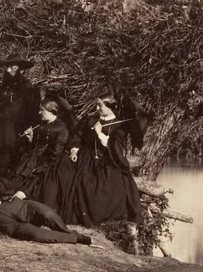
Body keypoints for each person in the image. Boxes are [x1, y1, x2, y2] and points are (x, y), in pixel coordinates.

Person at [0, 151, 93, 246]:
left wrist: (20, 192)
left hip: (21, 207)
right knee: (37, 235)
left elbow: (21, 186)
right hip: (9, 225)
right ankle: (76, 238)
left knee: (47, 213)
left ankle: (68, 231)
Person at [49, 90, 142, 229]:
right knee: (69, 171)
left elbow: (115, 147)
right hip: (86, 157)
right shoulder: (91, 120)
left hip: (108, 160)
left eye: (100, 106)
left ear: (110, 106)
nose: (97, 108)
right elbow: (77, 138)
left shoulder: (120, 125)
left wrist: (99, 132)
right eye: (97, 105)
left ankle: (99, 218)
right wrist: (74, 150)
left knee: (103, 185)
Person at [7, 92, 74, 198]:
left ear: (52, 111)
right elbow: (38, 145)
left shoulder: (61, 128)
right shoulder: (43, 124)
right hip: (33, 158)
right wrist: (31, 139)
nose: (39, 112)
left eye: (42, 110)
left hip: (47, 162)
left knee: (32, 183)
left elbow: (56, 151)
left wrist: (40, 162)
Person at [0, 58, 40, 177]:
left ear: (20, 70)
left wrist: (28, 131)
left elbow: (34, 116)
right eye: (7, 67)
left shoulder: (30, 91)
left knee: (13, 164)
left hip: (17, 134)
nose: (9, 70)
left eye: (13, 67)